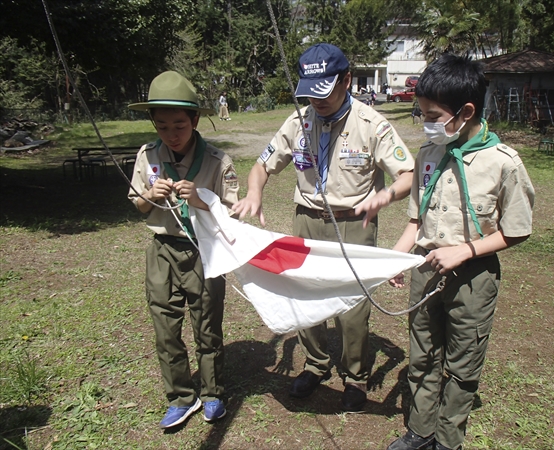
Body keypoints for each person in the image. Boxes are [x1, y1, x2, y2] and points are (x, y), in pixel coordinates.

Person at [232, 43, 414, 412]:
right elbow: (263, 165)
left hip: (352, 225)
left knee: (353, 307)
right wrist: (254, 192)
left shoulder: (371, 124)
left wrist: (386, 195)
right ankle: (316, 364)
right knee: (302, 294)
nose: (317, 101)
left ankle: (356, 376)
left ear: (346, 80)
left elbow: (408, 174)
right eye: (310, 93)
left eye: (325, 92)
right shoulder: (298, 121)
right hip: (307, 220)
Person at [386, 54, 535, 450]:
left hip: (474, 278)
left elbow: (516, 231)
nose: (425, 123)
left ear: (466, 112)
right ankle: (421, 430)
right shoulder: (428, 155)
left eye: (432, 115)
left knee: (461, 365)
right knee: (421, 355)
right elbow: (415, 222)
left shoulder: (502, 163)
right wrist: (397, 259)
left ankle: (448, 440)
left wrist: (465, 251)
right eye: (422, 114)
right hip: (425, 270)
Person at [127, 71, 239, 428]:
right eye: (162, 127)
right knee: (165, 325)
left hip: (204, 250)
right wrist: (150, 195)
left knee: (207, 324)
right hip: (162, 249)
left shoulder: (217, 161)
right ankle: (180, 397)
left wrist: (202, 199)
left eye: (179, 125)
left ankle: (212, 393)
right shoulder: (148, 156)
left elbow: (232, 213)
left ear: (194, 120)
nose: (171, 135)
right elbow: (138, 204)